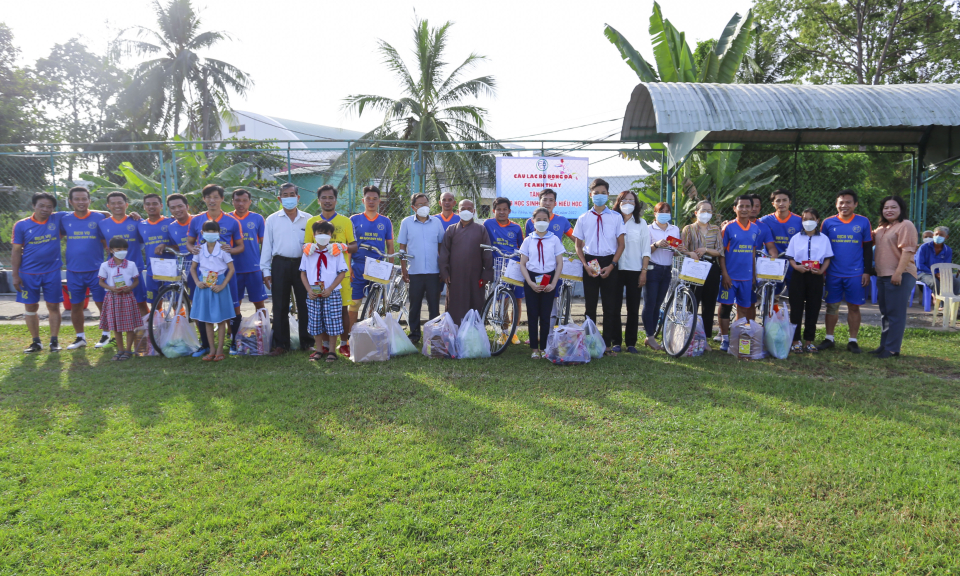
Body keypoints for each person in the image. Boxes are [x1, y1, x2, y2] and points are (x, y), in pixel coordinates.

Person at [186, 184, 244, 357]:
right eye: (208, 197)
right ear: (204, 199)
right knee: (205, 312)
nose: (212, 200)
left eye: (216, 197)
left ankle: (232, 343)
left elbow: (240, 246)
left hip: (223, 275)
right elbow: (189, 242)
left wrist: (229, 251)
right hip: (204, 276)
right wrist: (193, 249)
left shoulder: (233, 221)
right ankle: (207, 346)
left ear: (222, 199)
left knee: (232, 308)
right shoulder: (196, 220)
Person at [817, 189, 873, 353]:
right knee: (831, 306)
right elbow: (822, 248)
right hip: (833, 273)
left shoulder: (863, 222)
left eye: (848, 202)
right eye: (841, 202)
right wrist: (822, 271)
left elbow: (868, 248)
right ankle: (829, 338)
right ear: (836, 204)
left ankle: (853, 341)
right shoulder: (828, 223)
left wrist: (867, 271)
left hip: (855, 273)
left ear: (855, 204)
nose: (844, 205)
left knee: (854, 307)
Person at [573, 178, 625, 353]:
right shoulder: (583, 218)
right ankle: (590, 342)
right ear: (590, 195)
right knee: (590, 305)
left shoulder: (616, 217)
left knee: (609, 306)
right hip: (590, 262)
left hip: (609, 261)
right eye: (596, 194)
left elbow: (621, 244)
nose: (600, 196)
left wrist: (612, 265)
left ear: (608, 195)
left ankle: (607, 344)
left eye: (603, 193)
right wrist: (585, 265)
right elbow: (578, 245)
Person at [305, 185, 357, 357]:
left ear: (336, 200)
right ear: (319, 200)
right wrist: (309, 248)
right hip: (318, 277)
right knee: (320, 310)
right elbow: (306, 246)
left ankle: (344, 343)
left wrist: (342, 246)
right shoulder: (312, 222)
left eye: (331, 198)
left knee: (341, 310)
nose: (327, 201)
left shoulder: (345, 221)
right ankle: (325, 346)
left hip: (341, 274)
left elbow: (354, 246)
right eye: (324, 198)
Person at [261, 183, 312, 355]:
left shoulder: (308, 219)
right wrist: (266, 271)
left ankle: (307, 342)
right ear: (279, 198)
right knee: (280, 304)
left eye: (292, 194)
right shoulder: (272, 219)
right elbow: (267, 246)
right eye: (285, 194)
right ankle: (281, 344)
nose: (288, 198)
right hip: (279, 264)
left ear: (298, 198)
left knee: (305, 304)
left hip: (303, 266)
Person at [12, 192, 66, 353]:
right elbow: (16, 251)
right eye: (41, 205)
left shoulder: (57, 219)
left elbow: (85, 213)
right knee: (31, 307)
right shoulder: (21, 225)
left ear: (53, 209)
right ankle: (36, 342)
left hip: (52, 272)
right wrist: (15, 275)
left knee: (53, 306)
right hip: (28, 274)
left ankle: (54, 341)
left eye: (49, 206)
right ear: (33, 206)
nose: (45, 209)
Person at [59, 186, 112, 350]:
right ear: (70, 201)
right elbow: (56, 235)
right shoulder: (64, 219)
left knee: (102, 304)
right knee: (76, 305)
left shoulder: (99, 218)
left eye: (84, 199)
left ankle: (107, 335)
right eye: (77, 199)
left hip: (96, 270)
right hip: (74, 271)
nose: (81, 202)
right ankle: (80, 337)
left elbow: (107, 235)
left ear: (89, 201)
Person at [871, 196, 918, 359]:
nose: (889, 210)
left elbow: (908, 250)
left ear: (901, 209)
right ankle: (884, 345)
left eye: (893, 207)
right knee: (885, 312)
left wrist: (898, 273)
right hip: (883, 275)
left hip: (900, 275)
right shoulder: (882, 227)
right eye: (885, 207)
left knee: (896, 313)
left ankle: (892, 349)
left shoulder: (906, 225)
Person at [397, 193, 446, 342]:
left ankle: (433, 335)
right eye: (420, 204)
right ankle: (414, 335)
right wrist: (404, 269)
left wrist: (442, 268)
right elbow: (402, 248)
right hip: (414, 271)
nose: (424, 207)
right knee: (414, 305)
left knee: (434, 305)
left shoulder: (436, 222)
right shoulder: (406, 222)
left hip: (433, 272)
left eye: (426, 203)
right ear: (413, 207)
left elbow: (441, 245)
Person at [718, 195, 763, 352]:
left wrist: (753, 275)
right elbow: (721, 253)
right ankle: (724, 338)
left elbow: (752, 252)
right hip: (730, 277)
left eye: (747, 206)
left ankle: (737, 337)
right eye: (741, 206)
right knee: (726, 306)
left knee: (743, 308)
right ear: (734, 208)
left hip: (746, 277)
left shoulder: (755, 229)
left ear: (752, 208)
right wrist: (725, 274)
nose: (744, 209)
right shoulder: (728, 228)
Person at [785, 208, 832, 353]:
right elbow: (791, 258)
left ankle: (809, 341)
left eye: (811, 219)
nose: (808, 222)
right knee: (796, 308)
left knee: (813, 307)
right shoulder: (796, 238)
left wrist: (822, 271)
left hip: (816, 275)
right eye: (805, 219)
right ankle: (796, 340)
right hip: (799, 274)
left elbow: (828, 258)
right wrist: (796, 267)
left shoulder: (824, 238)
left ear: (818, 220)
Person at [518, 208, 565, 358]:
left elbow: (559, 264)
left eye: (545, 219)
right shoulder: (528, 240)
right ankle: (534, 349)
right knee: (532, 314)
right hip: (531, 278)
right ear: (533, 221)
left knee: (546, 315)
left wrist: (553, 283)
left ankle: (544, 347)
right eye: (538, 219)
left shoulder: (554, 240)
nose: (541, 222)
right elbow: (522, 264)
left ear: (549, 221)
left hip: (549, 279)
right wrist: (530, 283)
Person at [438, 199, 493, 325]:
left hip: (476, 276)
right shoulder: (451, 230)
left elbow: (487, 253)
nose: (466, 211)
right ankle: (453, 332)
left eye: (469, 209)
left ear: (474, 211)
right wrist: (445, 273)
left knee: (475, 304)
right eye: (463, 209)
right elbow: (444, 253)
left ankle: (473, 334)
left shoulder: (481, 230)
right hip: (455, 276)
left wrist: (486, 275)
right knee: (454, 306)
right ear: (458, 211)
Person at [300, 221, 348, 363]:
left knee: (333, 321)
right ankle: (319, 350)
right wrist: (309, 290)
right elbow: (302, 273)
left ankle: (332, 351)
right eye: (318, 233)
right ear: (313, 235)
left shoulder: (335, 252)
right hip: (313, 293)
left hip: (331, 293)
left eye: (325, 233)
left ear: (330, 235)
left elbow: (341, 273)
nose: (322, 235)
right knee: (315, 322)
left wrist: (330, 288)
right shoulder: (308, 253)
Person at [189, 220, 236, 362]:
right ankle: (212, 350)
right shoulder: (199, 249)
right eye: (207, 231)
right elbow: (192, 268)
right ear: (202, 233)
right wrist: (197, 282)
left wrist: (222, 285)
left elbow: (231, 269)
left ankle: (220, 351)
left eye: (214, 231)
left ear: (219, 233)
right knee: (207, 320)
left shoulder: (223, 249)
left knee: (221, 319)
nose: (211, 234)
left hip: (219, 286)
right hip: (204, 286)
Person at [227, 188, 267, 354]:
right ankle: (234, 337)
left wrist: (266, 267)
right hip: (232, 270)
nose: (241, 203)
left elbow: (265, 244)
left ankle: (265, 334)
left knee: (259, 303)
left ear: (250, 202)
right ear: (232, 201)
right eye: (237, 200)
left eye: (244, 200)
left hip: (254, 268)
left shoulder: (257, 218)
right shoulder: (226, 218)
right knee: (235, 305)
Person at [98, 192, 150, 316]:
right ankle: (120, 332)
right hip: (113, 271)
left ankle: (144, 333)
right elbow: (103, 242)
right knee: (116, 304)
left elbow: (145, 240)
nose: (117, 205)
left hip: (134, 269)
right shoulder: (102, 223)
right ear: (108, 206)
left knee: (140, 302)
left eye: (120, 202)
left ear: (126, 204)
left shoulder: (137, 221)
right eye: (113, 203)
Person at [349, 185, 394, 327]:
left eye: (375, 199)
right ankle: (350, 336)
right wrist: (348, 267)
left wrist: (390, 267)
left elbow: (390, 246)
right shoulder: (354, 219)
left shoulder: (385, 221)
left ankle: (370, 331)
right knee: (354, 303)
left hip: (377, 266)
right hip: (358, 266)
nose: (371, 201)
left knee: (374, 304)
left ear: (379, 201)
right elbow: (349, 246)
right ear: (363, 200)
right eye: (368, 198)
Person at [612, 191, 650, 353]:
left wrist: (644, 271)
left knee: (633, 308)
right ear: (618, 202)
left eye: (631, 201)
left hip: (635, 270)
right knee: (614, 307)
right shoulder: (612, 221)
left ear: (636, 204)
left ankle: (631, 343)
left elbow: (646, 249)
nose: (628, 203)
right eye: (624, 200)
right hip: (616, 269)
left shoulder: (641, 223)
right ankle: (615, 342)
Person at [483, 197, 524, 344]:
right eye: (498, 209)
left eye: (504, 209)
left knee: (517, 300)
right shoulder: (488, 224)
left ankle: (514, 332)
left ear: (509, 211)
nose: (501, 212)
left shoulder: (516, 227)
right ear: (493, 211)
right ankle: (505, 332)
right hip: (498, 267)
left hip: (515, 267)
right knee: (504, 300)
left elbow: (522, 247)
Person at [681, 200, 723, 341]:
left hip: (711, 268)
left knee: (709, 304)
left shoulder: (716, 229)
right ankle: (690, 334)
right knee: (692, 301)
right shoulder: (688, 229)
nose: (706, 213)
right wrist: (690, 253)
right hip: (694, 267)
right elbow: (682, 249)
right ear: (696, 212)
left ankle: (705, 338)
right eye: (703, 210)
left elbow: (719, 251)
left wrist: (705, 250)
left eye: (709, 211)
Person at [642, 201, 682, 351]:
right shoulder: (648, 229)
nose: (664, 214)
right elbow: (645, 251)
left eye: (667, 211)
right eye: (661, 211)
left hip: (667, 269)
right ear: (655, 214)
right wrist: (657, 244)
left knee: (658, 304)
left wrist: (679, 249)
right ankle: (650, 335)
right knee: (650, 303)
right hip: (652, 268)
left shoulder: (674, 229)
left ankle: (651, 335)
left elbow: (676, 250)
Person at [97, 237, 142, 361]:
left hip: (127, 297)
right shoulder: (105, 265)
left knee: (129, 325)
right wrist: (110, 288)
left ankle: (128, 350)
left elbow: (136, 280)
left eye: (124, 249)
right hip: (112, 297)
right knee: (116, 326)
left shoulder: (131, 265)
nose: (122, 251)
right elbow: (101, 282)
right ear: (111, 250)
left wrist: (130, 287)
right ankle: (120, 350)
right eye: (118, 249)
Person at [759, 188, 800, 287]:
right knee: (773, 292)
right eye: (778, 200)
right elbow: (749, 226)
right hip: (773, 261)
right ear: (773, 203)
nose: (781, 203)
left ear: (790, 202)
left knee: (795, 291)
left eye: (784, 200)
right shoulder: (764, 220)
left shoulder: (799, 220)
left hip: (793, 261)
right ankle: (774, 303)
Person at [138, 193, 173, 306]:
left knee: (175, 302)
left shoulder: (171, 222)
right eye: (148, 204)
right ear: (144, 206)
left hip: (170, 268)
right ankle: (159, 323)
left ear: (161, 206)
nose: (151, 206)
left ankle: (179, 323)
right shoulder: (140, 224)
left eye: (154, 204)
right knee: (155, 303)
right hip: (151, 269)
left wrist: (166, 246)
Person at [915, 226, 957, 295]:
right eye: (936, 234)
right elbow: (920, 265)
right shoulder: (924, 247)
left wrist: (941, 274)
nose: (938, 236)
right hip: (923, 273)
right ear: (933, 235)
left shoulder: (948, 250)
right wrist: (935, 274)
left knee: (955, 281)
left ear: (946, 237)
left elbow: (946, 266)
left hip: (939, 274)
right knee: (934, 282)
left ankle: (953, 301)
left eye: (941, 235)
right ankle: (939, 303)